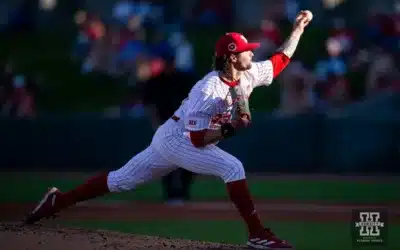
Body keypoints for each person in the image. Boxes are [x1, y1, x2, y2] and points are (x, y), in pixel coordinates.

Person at [25, 10, 311, 249]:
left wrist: (297, 29)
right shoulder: (208, 89)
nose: (252, 55)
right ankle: (258, 234)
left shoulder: (248, 73)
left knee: (121, 180)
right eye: (247, 52)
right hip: (179, 139)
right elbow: (198, 140)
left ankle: (58, 201)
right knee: (233, 167)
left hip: (174, 135)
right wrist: (230, 129)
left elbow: (279, 61)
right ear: (232, 58)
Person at [141, 53, 197, 204]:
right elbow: (149, 105)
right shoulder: (155, 81)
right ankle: (170, 193)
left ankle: (183, 191)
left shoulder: (183, 80)